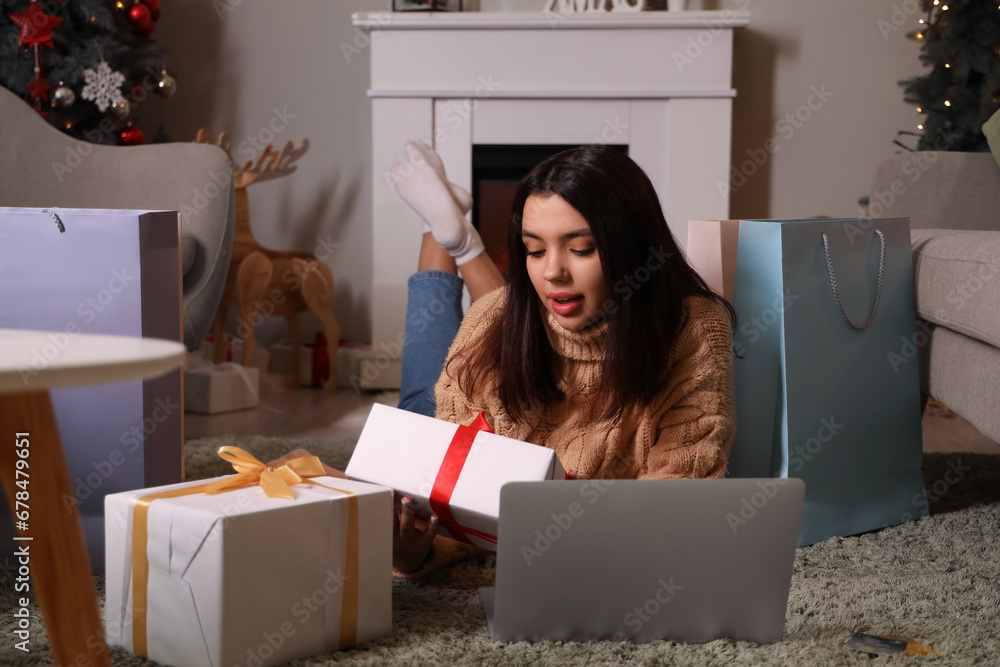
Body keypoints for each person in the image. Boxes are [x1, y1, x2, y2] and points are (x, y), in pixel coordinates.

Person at [380, 141, 738, 575]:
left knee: (424, 379)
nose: (552, 273)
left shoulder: (694, 329)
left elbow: (679, 500)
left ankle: (449, 234)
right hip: (446, 411)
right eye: (533, 250)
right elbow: (457, 501)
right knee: (426, 392)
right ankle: (446, 233)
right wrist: (418, 551)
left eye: (582, 248)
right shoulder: (492, 315)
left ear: (633, 248)